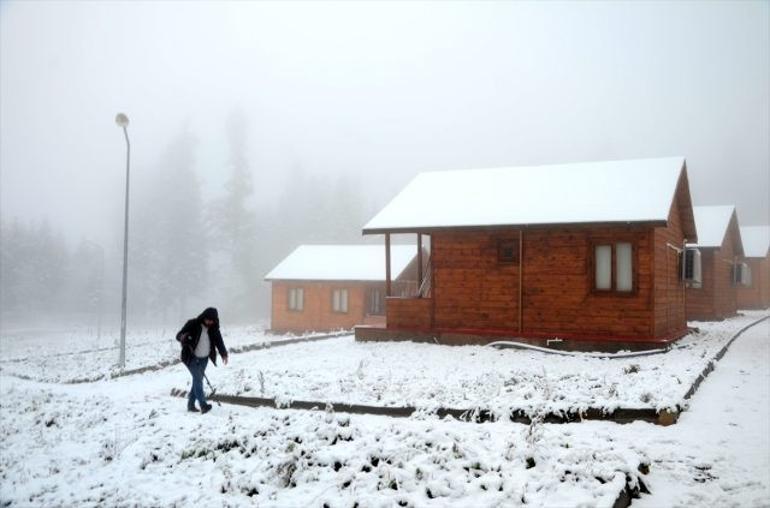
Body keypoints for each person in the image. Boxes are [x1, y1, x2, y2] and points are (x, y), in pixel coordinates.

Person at [176, 307, 228, 414]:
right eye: (208, 319)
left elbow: (219, 341)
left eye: (212, 320)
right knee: (198, 380)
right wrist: (185, 337)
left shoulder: (214, 328)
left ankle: (190, 405)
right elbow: (179, 335)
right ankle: (203, 405)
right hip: (190, 358)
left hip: (204, 359)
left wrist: (224, 354)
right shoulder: (193, 324)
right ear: (203, 317)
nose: (209, 322)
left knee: (196, 380)